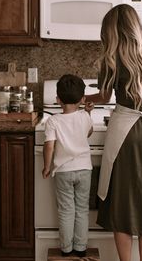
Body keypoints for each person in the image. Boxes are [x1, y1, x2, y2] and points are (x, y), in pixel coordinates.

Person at [85, 4, 142, 261]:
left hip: (124, 134)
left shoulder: (111, 59)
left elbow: (103, 95)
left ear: (112, 31)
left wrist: (82, 97)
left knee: (122, 203)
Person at [42, 74, 94, 257]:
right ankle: (80, 248)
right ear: (82, 99)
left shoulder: (53, 121)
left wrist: (47, 167)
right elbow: (88, 133)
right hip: (84, 170)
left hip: (63, 171)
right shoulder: (85, 116)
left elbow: (49, 146)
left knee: (66, 210)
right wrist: (87, 113)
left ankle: (65, 248)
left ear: (57, 100)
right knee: (82, 209)